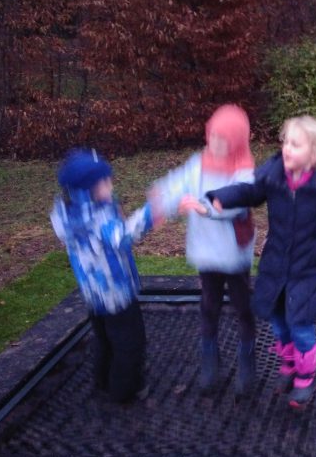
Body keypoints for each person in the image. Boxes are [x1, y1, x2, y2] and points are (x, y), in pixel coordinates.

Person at [207, 115, 316, 409]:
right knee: (278, 322)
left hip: (307, 268)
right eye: (285, 142)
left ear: (315, 154)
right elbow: (249, 192)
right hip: (275, 263)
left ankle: (305, 380)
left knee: (300, 325)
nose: (286, 149)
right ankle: (288, 365)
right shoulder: (274, 177)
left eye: (295, 145)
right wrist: (221, 197)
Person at [149, 104, 257, 396]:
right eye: (214, 136)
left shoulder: (243, 168)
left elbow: (239, 200)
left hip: (233, 252)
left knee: (242, 305)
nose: (217, 144)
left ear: (236, 141)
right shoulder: (200, 162)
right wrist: (162, 200)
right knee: (209, 303)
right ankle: (210, 356)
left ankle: (247, 356)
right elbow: (178, 183)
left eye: (225, 140)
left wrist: (204, 207)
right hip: (208, 250)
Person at [50, 148, 158, 403]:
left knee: (104, 338)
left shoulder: (70, 212)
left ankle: (102, 380)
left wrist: (111, 204)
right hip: (116, 293)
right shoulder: (97, 219)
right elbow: (124, 237)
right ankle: (125, 390)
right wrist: (152, 210)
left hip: (93, 294)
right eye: (105, 182)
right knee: (130, 343)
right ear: (88, 190)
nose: (111, 185)